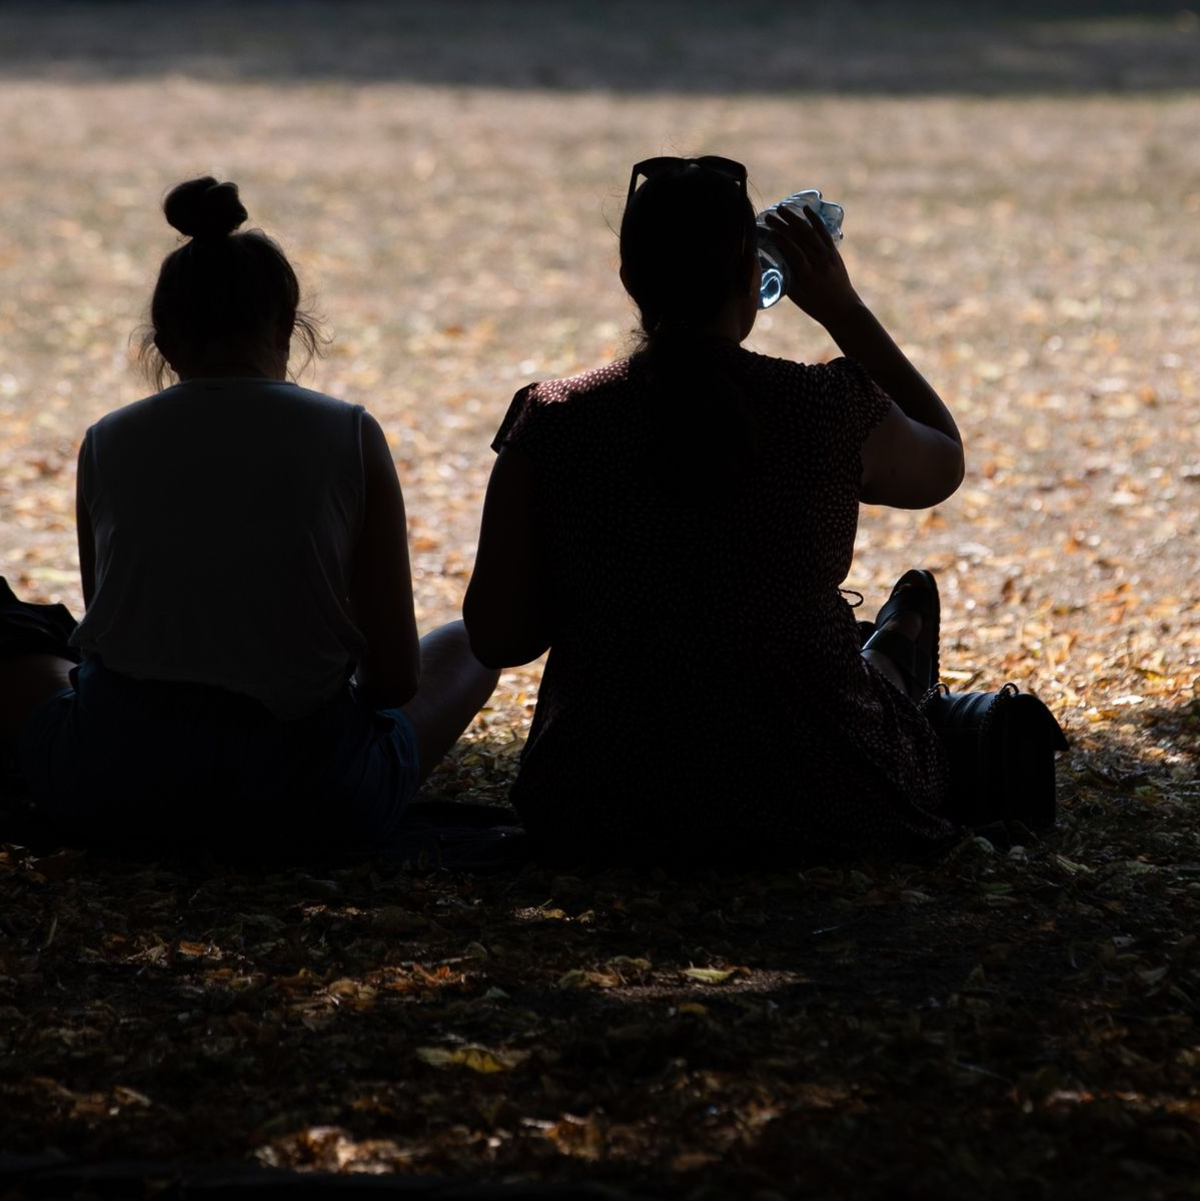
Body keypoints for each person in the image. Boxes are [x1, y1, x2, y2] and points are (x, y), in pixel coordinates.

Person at [463, 156, 966, 864]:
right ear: (752, 280)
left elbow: (497, 638)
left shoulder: (554, 420)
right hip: (829, 795)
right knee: (869, 681)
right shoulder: (830, 408)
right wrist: (844, 310)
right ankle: (889, 650)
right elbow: (943, 458)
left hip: (600, 805)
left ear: (630, 280)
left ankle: (887, 647)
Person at [0, 177, 497, 860]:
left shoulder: (106, 438)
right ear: (288, 328)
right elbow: (395, 682)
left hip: (115, 792)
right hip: (313, 800)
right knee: (475, 640)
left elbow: (106, 640)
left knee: (20, 645)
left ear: (164, 342)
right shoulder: (348, 432)